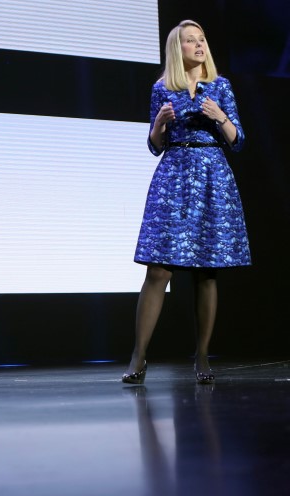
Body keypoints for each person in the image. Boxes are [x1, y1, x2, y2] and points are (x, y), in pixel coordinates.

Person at [122, 20, 250, 385]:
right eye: (190, 40)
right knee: (158, 270)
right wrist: (159, 124)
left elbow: (238, 140)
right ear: (176, 50)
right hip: (174, 178)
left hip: (213, 177)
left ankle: (203, 357)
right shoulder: (162, 87)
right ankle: (139, 355)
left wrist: (219, 116)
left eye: (202, 39)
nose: (198, 45)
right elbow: (155, 146)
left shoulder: (221, 87)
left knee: (206, 272)